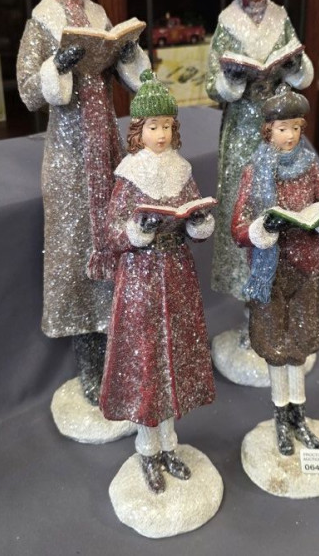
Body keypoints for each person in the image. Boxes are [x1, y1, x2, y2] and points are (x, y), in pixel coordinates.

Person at [17, 0, 150, 408]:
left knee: (112, 235)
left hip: (106, 143)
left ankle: (116, 345)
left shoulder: (98, 15)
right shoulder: (40, 23)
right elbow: (29, 91)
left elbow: (129, 76)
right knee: (76, 245)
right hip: (70, 154)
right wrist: (57, 65)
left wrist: (127, 53)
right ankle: (89, 360)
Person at [100, 70, 216, 493]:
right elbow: (111, 233)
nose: (161, 135)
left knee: (173, 360)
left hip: (177, 275)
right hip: (141, 281)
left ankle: (170, 446)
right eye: (153, 127)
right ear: (139, 130)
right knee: (147, 363)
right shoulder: (129, 174)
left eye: (167, 126)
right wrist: (139, 229)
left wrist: (198, 222)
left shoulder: (182, 169)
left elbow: (193, 218)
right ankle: (147, 451)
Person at [231, 85, 319, 455]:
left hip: (305, 265)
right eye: (283, 129)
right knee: (275, 344)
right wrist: (265, 226)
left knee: (300, 342)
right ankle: (281, 415)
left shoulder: (309, 166)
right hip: (271, 271)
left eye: (296, 128)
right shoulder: (254, 170)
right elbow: (238, 227)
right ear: (269, 131)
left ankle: (300, 415)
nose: (290, 135)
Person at [206, 0, 314, 303]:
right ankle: (245, 289)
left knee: (280, 196)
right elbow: (211, 83)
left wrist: (295, 65)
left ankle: (277, 287)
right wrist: (230, 80)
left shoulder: (280, 18)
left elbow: (300, 71)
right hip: (242, 127)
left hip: (278, 124)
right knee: (245, 198)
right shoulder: (226, 21)